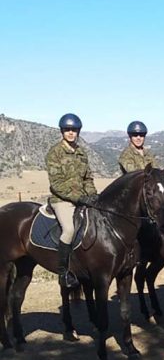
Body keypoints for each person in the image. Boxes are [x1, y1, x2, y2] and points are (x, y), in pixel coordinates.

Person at [46, 113, 97, 288]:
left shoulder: (82, 153)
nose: (71, 133)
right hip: (62, 200)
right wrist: (78, 197)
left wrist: (92, 195)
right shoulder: (55, 153)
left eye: (74, 130)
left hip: (83, 199)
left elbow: (88, 178)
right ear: (62, 131)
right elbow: (56, 183)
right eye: (67, 130)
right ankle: (63, 272)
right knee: (69, 229)